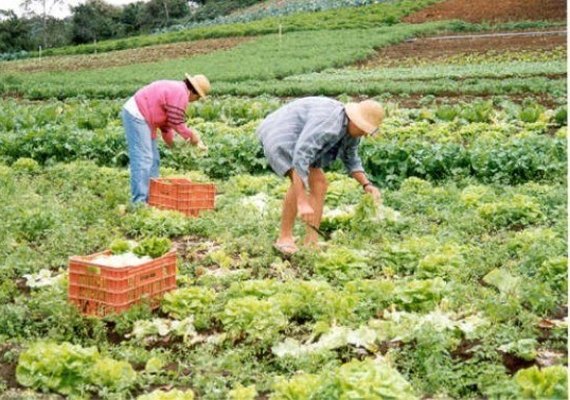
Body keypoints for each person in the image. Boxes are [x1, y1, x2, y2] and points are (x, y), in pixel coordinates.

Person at [257, 96, 384, 255]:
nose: (365, 134)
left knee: (319, 183)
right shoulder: (329, 125)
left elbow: (351, 159)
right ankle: (284, 238)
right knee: (301, 181)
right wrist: (302, 201)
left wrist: (367, 185)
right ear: (355, 121)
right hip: (281, 132)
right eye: (364, 129)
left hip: (300, 137)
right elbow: (301, 158)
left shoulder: (352, 132)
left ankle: (311, 242)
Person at [121, 73, 210, 204]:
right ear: (195, 93)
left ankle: (152, 198)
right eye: (197, 98)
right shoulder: (181, 94)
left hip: (147, 119)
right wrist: (194, 138)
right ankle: (139, 203)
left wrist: (173, 145)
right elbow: (177, 123)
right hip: (137, 114)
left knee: (154, 160)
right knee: (143, 159)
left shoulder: (178, 91)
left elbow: (167, 126)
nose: (195, 101)